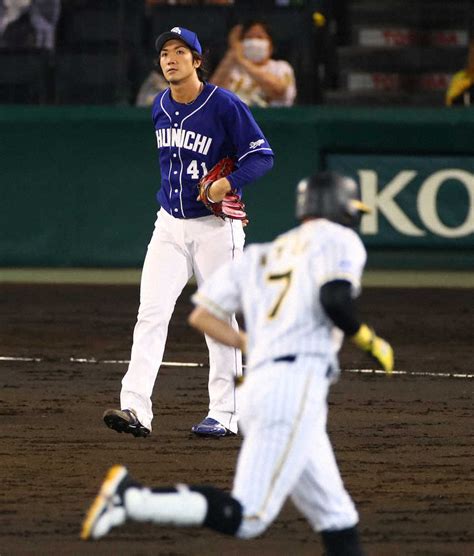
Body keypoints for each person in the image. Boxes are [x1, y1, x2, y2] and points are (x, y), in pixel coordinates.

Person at [82, 171, 394, 555]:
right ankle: (132, 500)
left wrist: (253, 342)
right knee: (249, 517)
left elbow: (201, 315)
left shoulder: (268, 252)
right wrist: (368, 338)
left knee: (337, 515)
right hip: (291, 392)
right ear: (338, 209)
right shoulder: (339, 239)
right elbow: (335, 298)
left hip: (263, 389)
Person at [103, 26, 274, 439]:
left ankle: (227, 412)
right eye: (165, 52)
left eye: (181, 52)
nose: (171, 58)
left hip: (217, 228)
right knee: (151, 314)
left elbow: (262, 156)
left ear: (198, 61)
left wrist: (226, 183)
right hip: (169, 225)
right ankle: (135, 409)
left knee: (217, 316)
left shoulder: (225, 105)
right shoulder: (159, 104)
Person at [210, 20, 297, 107]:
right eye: (249, 37)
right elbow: (212, 96)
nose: (254, 41)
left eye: (260, 37)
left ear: (271, 46)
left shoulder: (281, 67)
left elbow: (278, 91)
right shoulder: (233, 69)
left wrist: (242, 61)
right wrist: (233, 50)